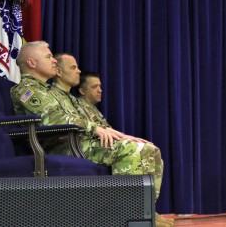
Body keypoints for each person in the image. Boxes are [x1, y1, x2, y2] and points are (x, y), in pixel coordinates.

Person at [10, 42, 173, 227]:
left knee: (149, 150)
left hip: (79, 142)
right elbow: (51, 118)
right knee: (131, 151)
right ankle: (125, 217)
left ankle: (144, 211)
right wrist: (92, 128)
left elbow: (86, 120)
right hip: (62, 146)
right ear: (31, 63)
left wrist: (121, 135)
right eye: (48, 57)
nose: (53, 60)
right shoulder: (26, 90)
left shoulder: (49, 91)